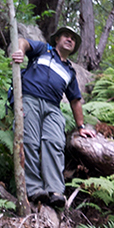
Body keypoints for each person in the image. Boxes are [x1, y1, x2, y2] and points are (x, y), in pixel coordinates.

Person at [12, 26, 96, 208]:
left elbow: (75, 101)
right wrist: (19, 50)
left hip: (53, 107)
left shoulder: (69, 71)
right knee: (29, 142)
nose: (70, 39)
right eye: (66, 36)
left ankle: (55, 191)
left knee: (55, 143)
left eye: (73, 39)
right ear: (56, 39)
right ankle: (33, 189)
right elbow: (24, 42)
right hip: (30, 99)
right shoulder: (43, 50)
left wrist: (81, 127)